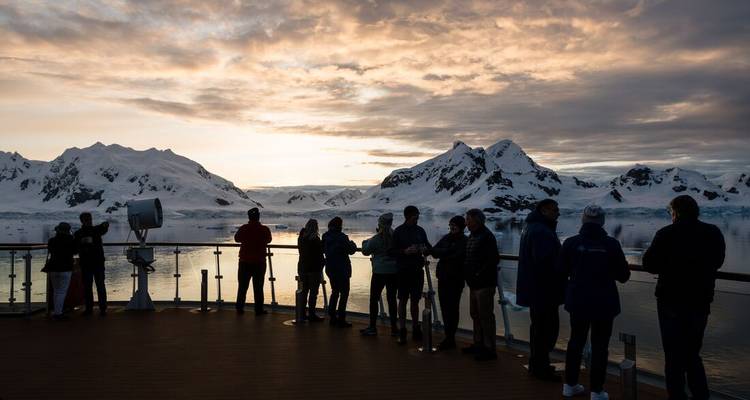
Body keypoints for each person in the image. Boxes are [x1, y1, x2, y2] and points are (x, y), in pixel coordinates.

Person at [643, 195, 725, 400]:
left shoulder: (666, 234)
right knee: (692, 353)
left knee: (673, 355)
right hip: (700, 300)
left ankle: (677, 396)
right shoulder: (712, 232)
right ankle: (701, 396)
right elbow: (718, 261)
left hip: (670, 301)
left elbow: (649, 264)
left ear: (675, 212)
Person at [557, 205, 631, 400]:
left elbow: (560, 272)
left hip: (578, 301)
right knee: (600, 346)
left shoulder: (570, 243)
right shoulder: (611, 244)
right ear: (603, 221)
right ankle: (597, 391)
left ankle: (570, 385)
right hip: (604, 303)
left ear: (583, 220)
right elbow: (623, 275)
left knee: (575, 342)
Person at [517, 198, 565, 380]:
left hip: (536, 288)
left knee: (538, 327)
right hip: (544, 290)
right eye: (555, 210)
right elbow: (545, 263)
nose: (558, 213)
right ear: (544, 210)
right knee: (546, 328)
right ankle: (540, 367)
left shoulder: (533, 228)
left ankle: (537, 364)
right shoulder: (541, 232)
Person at [389, 205, 432, 344]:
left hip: (416, 271)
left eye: (418, 215)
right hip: (402, 271)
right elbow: (391, 251)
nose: (417, 218)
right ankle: (402, 329)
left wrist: (424, 249)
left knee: (415, 300)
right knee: (402, 300)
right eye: (415, 215)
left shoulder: (420, 231)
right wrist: (405, 252)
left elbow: (428, 248)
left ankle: (415, 328)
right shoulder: (398, 232)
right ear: (408, 216)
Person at [460, 209, 500, 361]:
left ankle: (489, 349)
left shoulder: (486, 237)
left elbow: (493, 259)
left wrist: (478, 274)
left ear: (477, 221)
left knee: (485, 316)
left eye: (468, 220)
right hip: (474, 283)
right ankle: (479, 344)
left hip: (484, 284)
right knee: (475, 314)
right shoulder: (474, 235)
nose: (466, 223)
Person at [429, 215, 468, 350]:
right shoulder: (447, 237)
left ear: (461, 227)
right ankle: (448, 337)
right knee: (445, 308)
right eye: (451, 225)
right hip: (443, 278)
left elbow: (457, 255)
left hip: (456, 280)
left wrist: (443, 252)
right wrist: (447, 251)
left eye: (455, 225)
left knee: (452, 308)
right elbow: (434, 252)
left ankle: (450, 338)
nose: (452, 227)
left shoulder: (464, 241)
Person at [360, 213, 399, 337]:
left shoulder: (377, 239)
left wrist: (365, 241)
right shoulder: (395, 237)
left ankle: (372, 327)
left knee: (374, 299)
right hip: (393, 272)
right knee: (392, 300)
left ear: (380, 224)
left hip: (379, 273)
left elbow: (366, 251)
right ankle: (394, 328)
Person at [234, 207, 272, 315]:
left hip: (244, 262)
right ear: (258, 217)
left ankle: (239, 308)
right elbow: (269, 239)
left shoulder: (244, 228)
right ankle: (258, 309)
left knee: (242, 286)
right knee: (258, 287)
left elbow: (237, 239)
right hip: (259, 262)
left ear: (249, 217)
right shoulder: (264, 229)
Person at [322, 216, 357, 327]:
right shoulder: (342, 238)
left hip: (330, 268)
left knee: (335, 291)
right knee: (344, 293)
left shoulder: (325, 236)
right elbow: (351, 250)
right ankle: (341, 318)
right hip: (342, 269)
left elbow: (323, 249)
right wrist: (352, 244)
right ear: (340, 226)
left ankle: (332, 317)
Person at [74, 212, 109, 316]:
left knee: (94, 286)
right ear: (83, 221)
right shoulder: (93, 231)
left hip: (90, 263)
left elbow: (104, 228)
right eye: (87, 219)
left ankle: (95, 309)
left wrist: (105, 225)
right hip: (93, 263)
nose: (89, 221)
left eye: (89, 219)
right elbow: (75, 248)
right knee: (94, 286)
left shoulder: (79, 233)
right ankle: (97, 308)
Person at [45, 222, 77, 320]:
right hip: (65, 268)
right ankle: (58, 313)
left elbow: (50, 250)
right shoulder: (71, 240)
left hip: (53, 267)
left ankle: (57, 311)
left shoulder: (52, 241)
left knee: (56, 291)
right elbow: (75, 251)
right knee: (62, 291)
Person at [297, 219, 325, 322]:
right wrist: (323, 263)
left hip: (303, 268)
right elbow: (319, 254)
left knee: (304, 291)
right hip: (314, 269)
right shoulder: (315, 240)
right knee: (313, 292)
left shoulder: (301, 238)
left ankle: (302, 313)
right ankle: (312, 314)